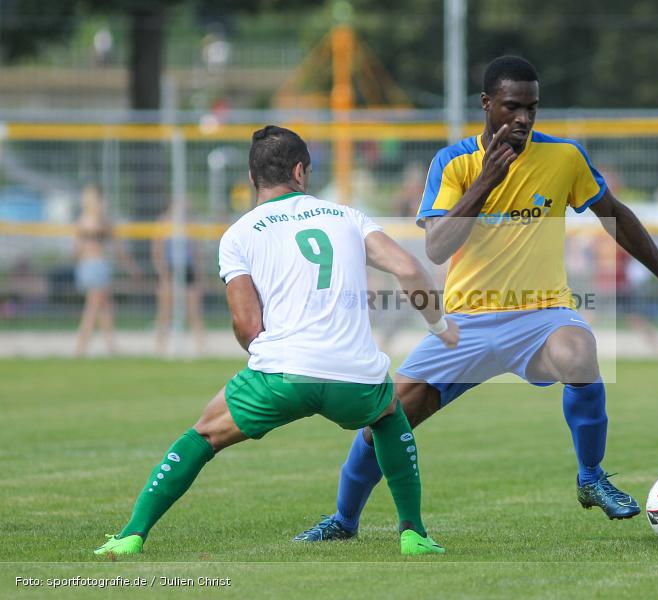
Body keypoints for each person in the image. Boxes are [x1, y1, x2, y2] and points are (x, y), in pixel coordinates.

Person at [297, 56, 658, 543]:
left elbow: (615, 215)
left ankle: (591, 477)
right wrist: (487, 181)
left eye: (532, 108)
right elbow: (436, 246)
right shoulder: (453, 163)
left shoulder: (564, 157)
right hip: (464, 326)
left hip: (541, 317)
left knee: (579, 353)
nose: (523, 118)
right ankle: (344, 521)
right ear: (486, 105)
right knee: (383, 422)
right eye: (512, 106)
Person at [94, 125, 458, 558]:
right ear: (301, 171)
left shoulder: (239, 234)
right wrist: (439, 327)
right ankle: (413, 533)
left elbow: (246, 325)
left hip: (281, 374)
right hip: (354, 375)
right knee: (388, 416)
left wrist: (280, 361)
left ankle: (132, 534)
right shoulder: (347, 216)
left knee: (203, 435)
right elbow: (410, 270)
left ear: (252, 179)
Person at [152, 204, 205, 355]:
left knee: (194, 310)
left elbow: (196, 251)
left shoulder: (190, 223)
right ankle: (160, 346)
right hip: (170, 268)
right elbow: (157, 251)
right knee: (165, 311)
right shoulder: (163, 222)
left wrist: (199, 274)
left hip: (187, 268)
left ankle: (200, 346)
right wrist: (163, 273)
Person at [74, 185, 116, 356]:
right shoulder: (99, 220)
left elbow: (75, 249)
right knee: (93, 308)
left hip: (88, 265)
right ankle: (81, 346)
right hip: (95, 265)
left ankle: (110, 346)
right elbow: (112, 237)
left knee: (104, 307)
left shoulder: (83, 219)